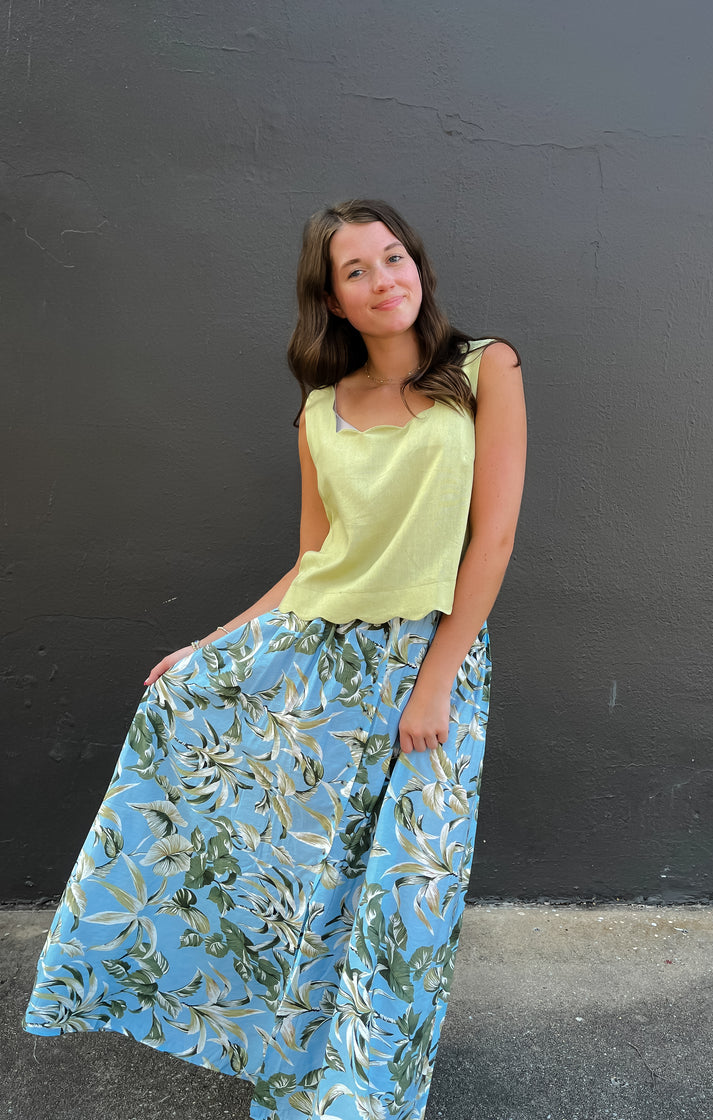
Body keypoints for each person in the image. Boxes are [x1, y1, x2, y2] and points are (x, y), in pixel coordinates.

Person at [24, 199, 527, 1120]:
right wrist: (209, 646)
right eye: (356, 270)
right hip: (319, 666)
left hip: (430, 660)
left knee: (406, 895)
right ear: (331, 299)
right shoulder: (321, 411)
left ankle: (364, 1095)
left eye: (393, 257)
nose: (384, 280)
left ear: (417, 263)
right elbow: (312, 561)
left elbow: (491, 543)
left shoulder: (484, 368)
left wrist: (436, 683)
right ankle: (292, 1069)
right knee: (306, 880)